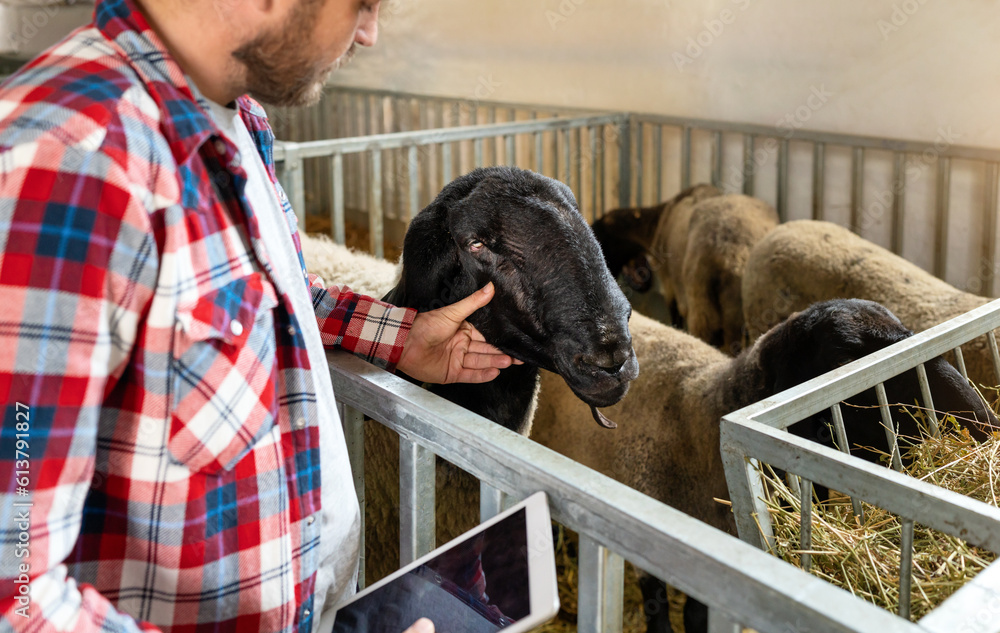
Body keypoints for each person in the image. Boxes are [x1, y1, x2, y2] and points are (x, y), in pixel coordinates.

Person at [0, 0, 517, 632]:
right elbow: (17, 592)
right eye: (363, 4)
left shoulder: (240, 120)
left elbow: (268, 296)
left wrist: (400, 337)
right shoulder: (68, 158)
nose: (370, 34)